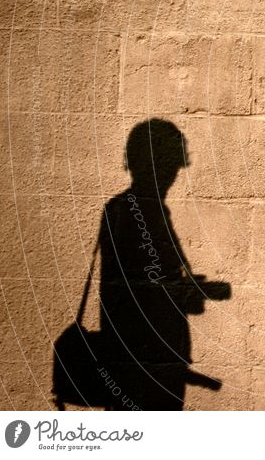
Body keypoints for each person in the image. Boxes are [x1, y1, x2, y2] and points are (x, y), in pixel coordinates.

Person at [98, 119, 196, 410]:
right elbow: (140, 285)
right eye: (169, 166)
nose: (173, 175)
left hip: (149, 356)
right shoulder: (136, 211)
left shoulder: (139, 209)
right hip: (143, 359)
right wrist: (185, 292)